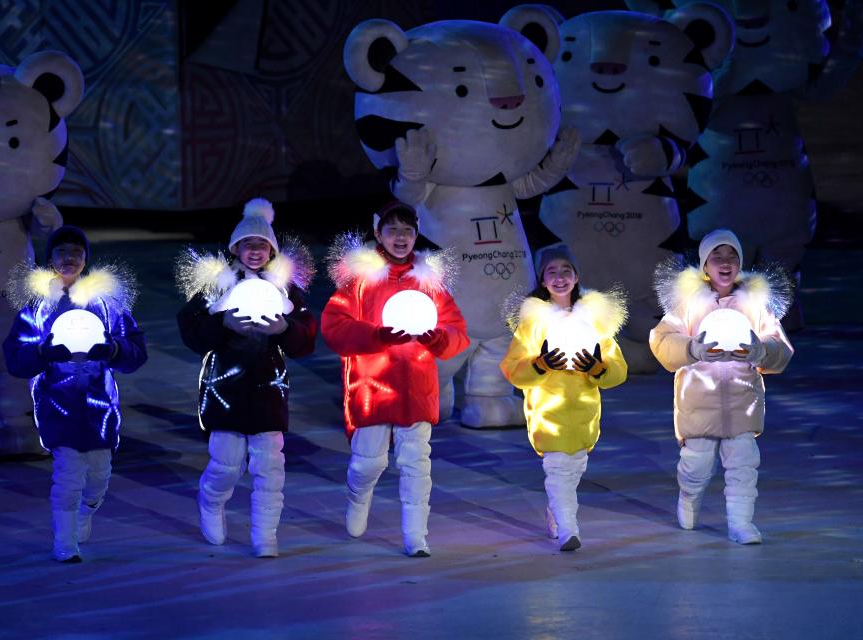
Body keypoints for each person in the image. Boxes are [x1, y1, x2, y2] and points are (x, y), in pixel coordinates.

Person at [322, 201, 469, 557]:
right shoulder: (360, 282)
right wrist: (377, 337)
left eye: (408, 230)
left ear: (417, 235)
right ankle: (358, 497)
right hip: (373, 387)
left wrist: (439, 339)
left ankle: (415, 536)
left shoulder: (429, 283)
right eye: (393, 230)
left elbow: (457, 331)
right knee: (369, 462)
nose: (401, 238)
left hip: (416, 386)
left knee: (416, 463)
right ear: (378, 234)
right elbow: (334, 326)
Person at [177, 197, 316, 558]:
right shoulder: (216, 285)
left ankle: (265, 536)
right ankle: (211, 501)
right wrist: (220, 325)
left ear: (271, 249)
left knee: (270, 468)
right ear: (235, 247)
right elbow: (191, 329)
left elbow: (305, 336)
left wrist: (286, 328)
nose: (255, 250)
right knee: (225, 464)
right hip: (226, 388)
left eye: (262, 244)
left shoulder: (283, 288)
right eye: (248, 243)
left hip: (268, 388)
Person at [3, 225, 148, 562]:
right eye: (61, 251)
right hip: (60, 405)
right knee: (68, 475)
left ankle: (87, 509)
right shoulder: (36, 309)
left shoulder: (106, 305)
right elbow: (15, 358)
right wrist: (42, 354)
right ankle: (65, 543)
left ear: (85, 258)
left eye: (76, 252)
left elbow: (136, 350)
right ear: (49, 259)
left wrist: (113, 349)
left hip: (100, 409)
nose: (69, 258)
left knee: (99, 475)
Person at [649, 228, 794, 544]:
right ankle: (689, 498)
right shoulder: (688, 304)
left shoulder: (755, 305)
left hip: (742, 402)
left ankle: (741, 523)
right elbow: (661, 340)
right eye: (717, 256)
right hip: (699, 403)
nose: (725, 262)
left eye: (732, 256)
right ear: (704, 264)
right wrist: (691, 349)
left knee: (743, 464)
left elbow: (780, 346)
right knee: (696, 465)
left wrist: (761, 351)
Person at [500, 244, 628, 551]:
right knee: (557, 469)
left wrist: (598, 369)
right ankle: (569, 530)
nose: (559, 277)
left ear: (576, 277)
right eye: (551, 272)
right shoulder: (533, 323)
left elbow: (618, 369)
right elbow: (512, 368)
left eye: (566, 270)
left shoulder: (594, 321)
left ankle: (556, 510)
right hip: (549, 414)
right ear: (543, 280)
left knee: (574, 470)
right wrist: (540, 365)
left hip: (584, 414)